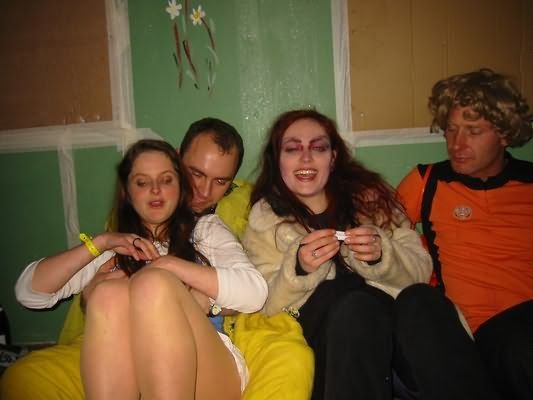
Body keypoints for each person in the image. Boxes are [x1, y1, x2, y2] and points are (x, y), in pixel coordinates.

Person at [242, 108, 499, 400]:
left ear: (333, 158)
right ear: (277, 159)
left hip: (395, 335)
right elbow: (262, 303)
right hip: (329, 343)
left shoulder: (373, 202)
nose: (306, 158)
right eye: (292, 149)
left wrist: (382, 257)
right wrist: (298, 269)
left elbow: (420, 270)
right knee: (355, 307)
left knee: (423, 299)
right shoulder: (264, 221)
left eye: (318, 148)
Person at [8, 139, 268, 399]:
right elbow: (29, 293)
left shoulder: (205, 229)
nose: (155, 190)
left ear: (180, 185)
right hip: (130, 369)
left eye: (166, 180)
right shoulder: (117, 247)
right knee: (108, 293)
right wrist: (102, 242)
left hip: (208, 372)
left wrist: (167, 266)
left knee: (152, 283)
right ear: (127, 192)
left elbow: (255, 293)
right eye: (142, 182)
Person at [397, 68, 533, 400]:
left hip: (525, 325)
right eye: (451, 129)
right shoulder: (428, 181)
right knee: (417, 302)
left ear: (505, 134)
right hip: (468, 335)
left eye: (473, 131)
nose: (456, 144)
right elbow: (379, 227)